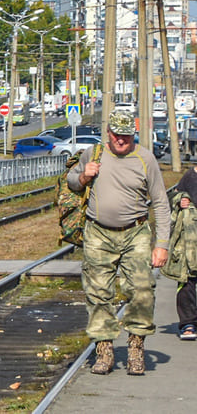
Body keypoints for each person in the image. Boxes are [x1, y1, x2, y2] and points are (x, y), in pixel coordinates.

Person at [67, 109, 170, 375]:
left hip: (135, 232)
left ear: (132, 133)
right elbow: (71, 182)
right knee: (98, 293)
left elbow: (160, 202)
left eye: (126, 135)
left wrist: (162, 244)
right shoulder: (94, 154)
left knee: (142, 289)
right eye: (116, 135)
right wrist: (83, 176)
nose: (121, 140)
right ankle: (104, 350)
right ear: (108, 133)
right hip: (98, 233)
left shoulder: (146, 158)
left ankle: (136, 347)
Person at [168, 166, 197, 341]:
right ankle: (188, 323)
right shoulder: (189, 176)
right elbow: (173, 195)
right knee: (187, 281)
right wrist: (181, 200)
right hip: (189, 238)